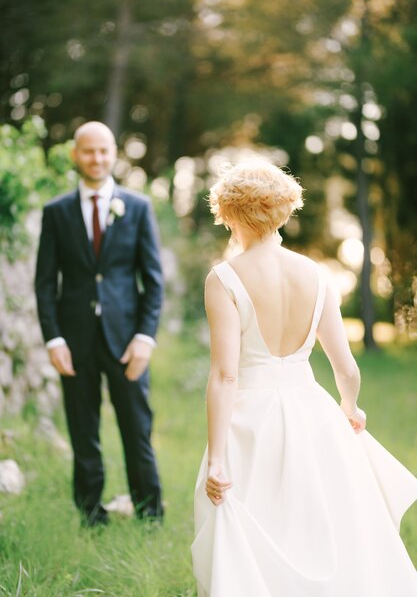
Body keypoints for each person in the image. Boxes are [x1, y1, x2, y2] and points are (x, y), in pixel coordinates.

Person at [192, 159, 417, 596]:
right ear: (282, 210)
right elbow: (345, 368)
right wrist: (349, 408)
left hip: (249, 422)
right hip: (312, 413)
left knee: (254, 530)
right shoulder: (316, 275)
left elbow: (224, 375)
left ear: (232, 214)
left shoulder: (223, 279)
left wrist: (218, 457)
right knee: (319, 528)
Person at [35, 121, 164, 527]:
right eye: (89, 151)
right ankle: (91, 514)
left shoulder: (139, 207)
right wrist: (54, 338)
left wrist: (145, 337)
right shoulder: (56, 212)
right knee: (82, 429)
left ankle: (150, 515)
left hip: (127, 340)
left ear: (114, 153)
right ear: (76, 155)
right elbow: (44, 283)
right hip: (74, 342)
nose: (97, 158)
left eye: (104, 151)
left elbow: (153, 281)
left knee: (137, 429)